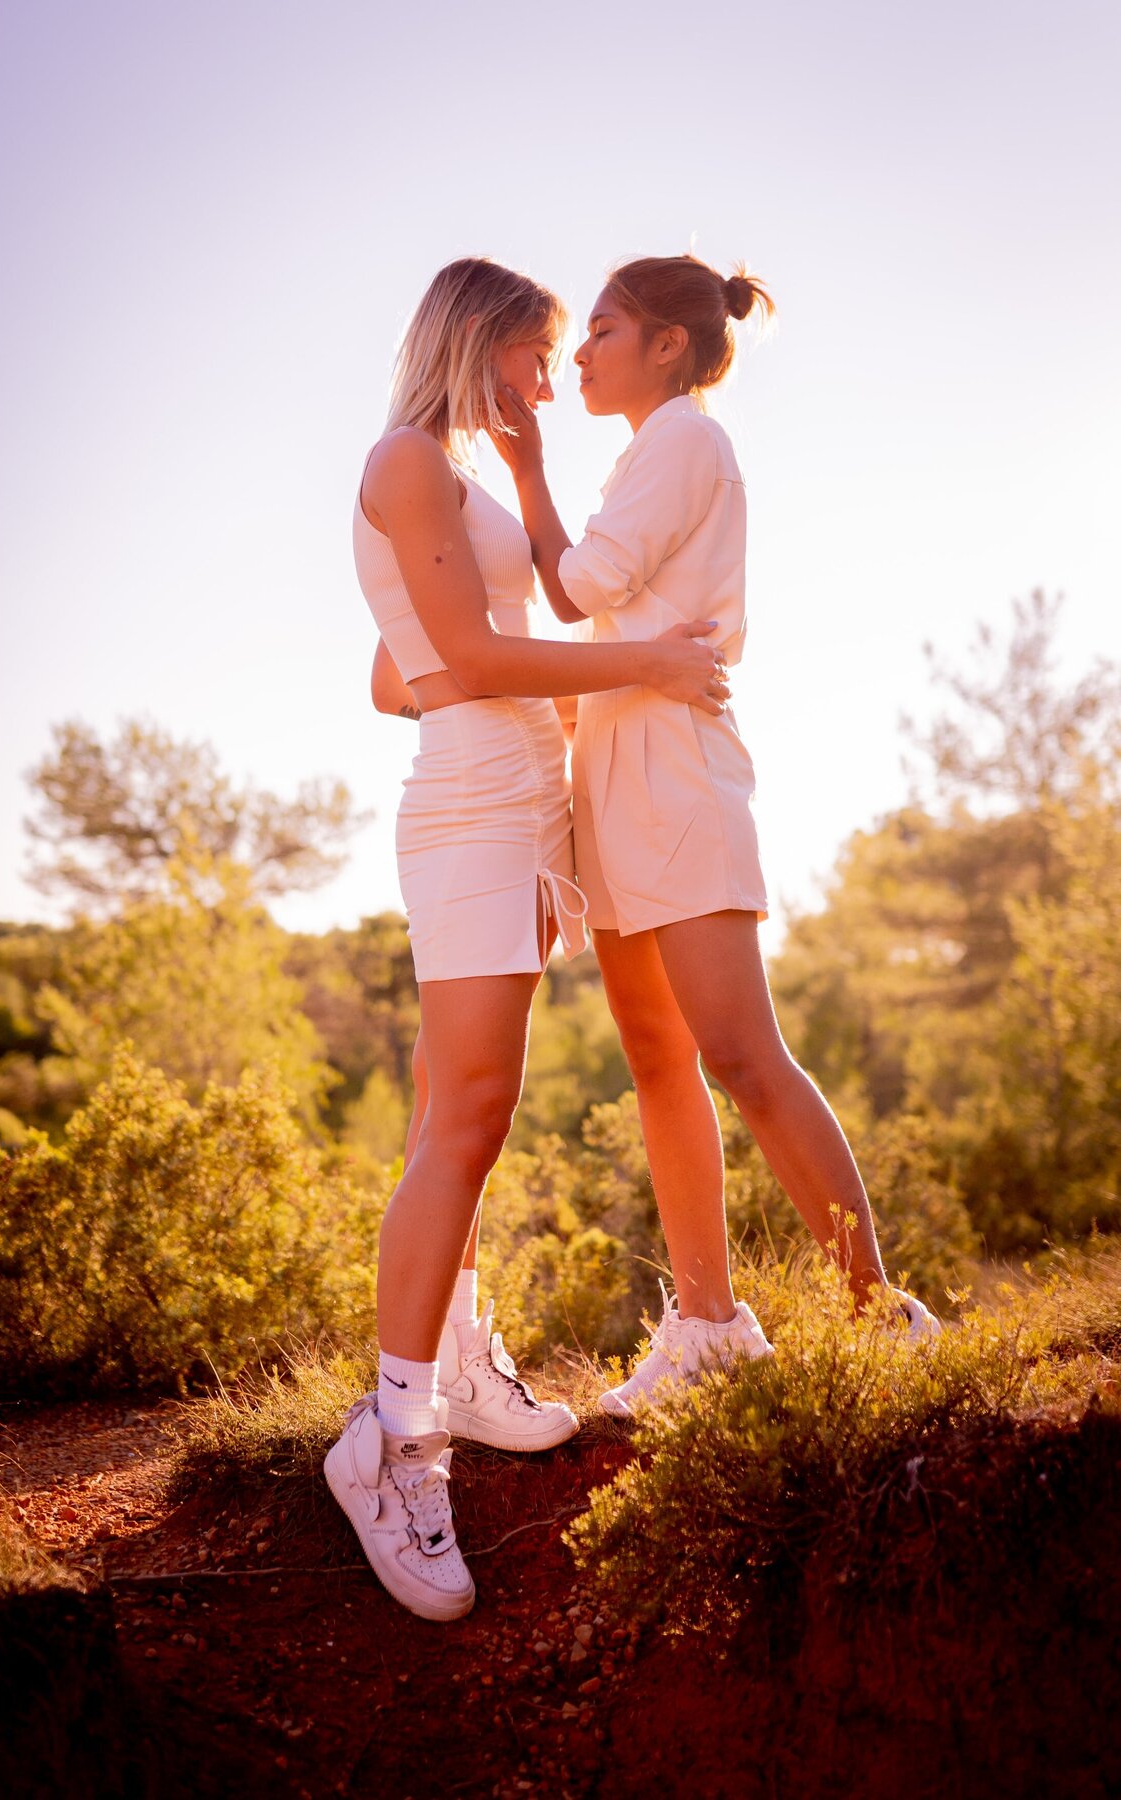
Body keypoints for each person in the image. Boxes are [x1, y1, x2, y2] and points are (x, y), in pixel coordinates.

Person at [324, 257, 727, 1621]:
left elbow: (404, 667)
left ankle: (455, 1363)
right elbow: (471, 662)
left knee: (456, 1098)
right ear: (481, 341)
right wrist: (645, 664)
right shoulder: (405, 462)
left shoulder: (452, 479)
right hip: (477, 815)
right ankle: (391, 1442)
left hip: (518, 809)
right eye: (534, 355)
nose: (546, 381)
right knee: (472, 1116)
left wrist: (471, 667)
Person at [490, 252, 940, 1418]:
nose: (579, 354)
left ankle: (881, 1312)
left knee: (742, 1053)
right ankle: (705, 1325)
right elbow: (594, 609)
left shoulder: (686, 438)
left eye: (601, 330)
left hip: (677, 779)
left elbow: (579, 590)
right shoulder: (655, 450)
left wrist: (530, 471)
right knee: (656, 1056)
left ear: (669, 346)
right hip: (617, 773)